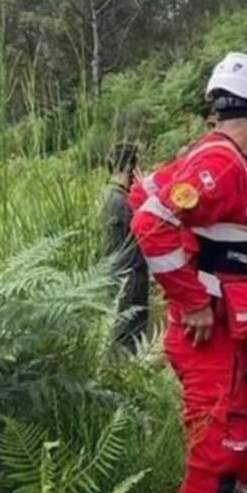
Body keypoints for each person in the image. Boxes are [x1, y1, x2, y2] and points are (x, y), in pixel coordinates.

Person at [131, 51, 247, 493]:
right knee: (218, 450)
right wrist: (192, 300)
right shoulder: (222, 164)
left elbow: (149, 195)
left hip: (236, 326)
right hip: (210, 332)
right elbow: (150, 223)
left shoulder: (220, 161)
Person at [102, 142, 150, 353]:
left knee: (119, 330)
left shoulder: (106, 196)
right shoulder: (122, 201)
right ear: (131, 168)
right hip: (130, 275)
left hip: (113, 273)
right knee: (131, 336)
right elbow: (146, 233)